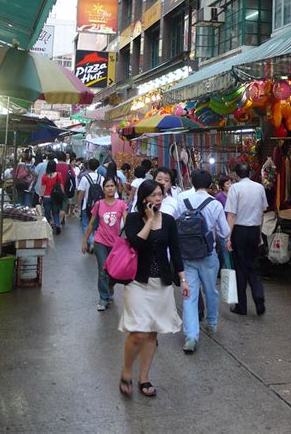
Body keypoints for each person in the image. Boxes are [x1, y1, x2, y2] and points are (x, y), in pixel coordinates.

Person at [119, 179, 189, 398]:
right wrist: (149, 221)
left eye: (161, 195)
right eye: (154, 195)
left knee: (151, 334)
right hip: (137, 282)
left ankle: (144, 377)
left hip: (161, 284)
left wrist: (183, 279)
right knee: (138, 332)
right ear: (144, 199)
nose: (159, 198)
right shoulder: (132, 219)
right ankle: (127, 371)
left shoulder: (168, 221)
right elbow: (136, 244)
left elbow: (176, 252)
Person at [177, 168, 230, 354]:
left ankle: (191, 336)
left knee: (189, 296)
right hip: (208, 255)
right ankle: (212, 322)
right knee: (211, 291)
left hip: (186, 256)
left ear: (192, 182)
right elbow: (224, 232)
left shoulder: (181, 199)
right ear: (209, 185)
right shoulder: (214, 204)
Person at [225, 162, 268, 317]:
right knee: (254, 266)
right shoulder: (259, 187)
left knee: (240, 268)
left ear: (236, 174)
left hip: (239, 231)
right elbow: (262, 212)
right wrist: (260, 234)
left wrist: (228, 237)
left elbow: (231, 215)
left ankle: (241, 306)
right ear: (250, 173)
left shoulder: (235, 188)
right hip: (254, 230)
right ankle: (259, 298)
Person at [82, 176, 128, 311]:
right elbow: (91, 224)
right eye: (107, 186)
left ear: (116, 188)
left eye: (112, 186)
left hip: (115, 244)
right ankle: (103, 298)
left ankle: (110, 287)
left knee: (113, 271)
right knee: (103, 270)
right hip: (100, 241)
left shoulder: (121, 204)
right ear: (103, 189)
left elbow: (127, 223)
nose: (110, 188)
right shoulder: (99, 204)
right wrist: (85, 241)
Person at [77, 158, 104, 252]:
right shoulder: (102, 178)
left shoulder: (85, 178)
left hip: (86, 205)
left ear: (88, 166)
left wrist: (78, 204)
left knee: (85, 224)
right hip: (99, 206)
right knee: (95, 225)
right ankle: (93, 240)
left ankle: (91, 240)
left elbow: (81, 193)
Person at [40, 159, 64, 234]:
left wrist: (40, 196)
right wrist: (62, 194)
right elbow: (61, 186)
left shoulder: (44, 176)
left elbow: (43, 188)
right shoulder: (58, 175)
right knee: (55, 212)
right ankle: (57, 225)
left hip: (46, 197)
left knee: (47, 212)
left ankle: (47, 228)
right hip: (55, 197)